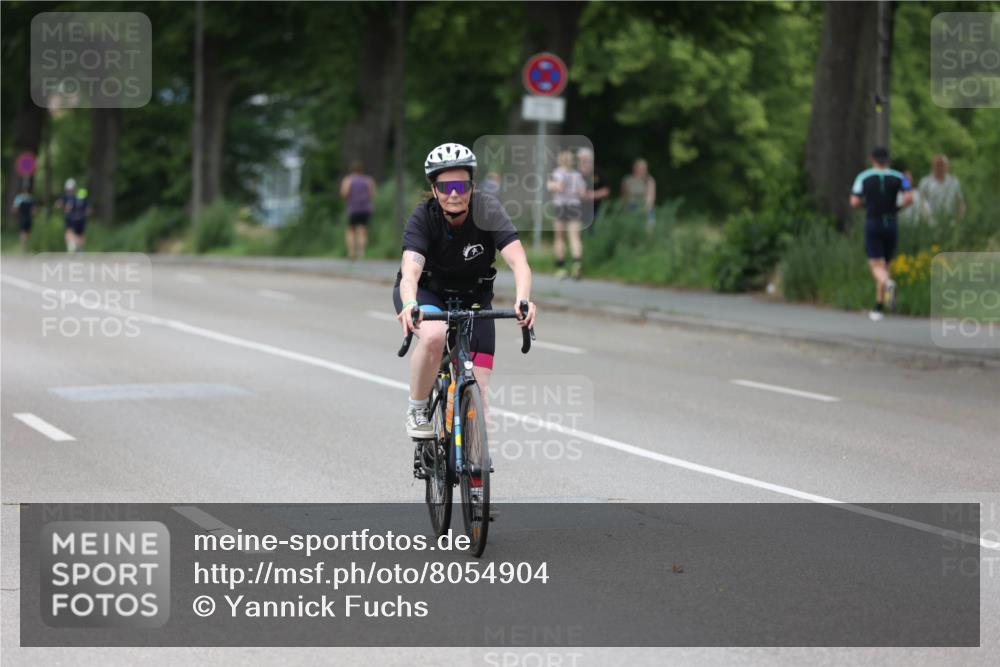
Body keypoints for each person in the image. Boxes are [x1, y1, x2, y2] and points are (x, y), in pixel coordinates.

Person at [394, 142, 536, 439]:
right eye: (445, 187)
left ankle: (469, 459)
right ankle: (417, 409)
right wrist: (409, 303)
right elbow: (410, 272)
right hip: (427, 294)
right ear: (434, 190)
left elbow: (519, 261)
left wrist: (523, 299)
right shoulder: (423, 217)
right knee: (434, 336)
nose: (454, 194)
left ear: (472, 186)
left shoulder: (488, 209)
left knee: (479, 393)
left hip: (474, 298)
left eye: (462, 185)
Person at [850, 147, 913, 322]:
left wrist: (865, 205)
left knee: (876, 266)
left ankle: (888, 284)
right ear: (888, 160)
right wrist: (898, 208)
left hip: (874, 222)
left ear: (872, 159)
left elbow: (854, 201)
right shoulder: (900, 177)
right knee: (885, 265)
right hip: (891, 222)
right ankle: (879, 306)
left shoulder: (864, 177)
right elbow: (909, 198)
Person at [547, 150, 586, 280]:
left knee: (559, 237)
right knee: (575, 237)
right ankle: (577, 264)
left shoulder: (557, 173)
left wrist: (555, 186)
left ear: (560, 160)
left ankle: (561, 267)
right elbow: (582, 193)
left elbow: (553, 187)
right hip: (574, 206)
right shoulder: (577, 175)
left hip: (561, 206)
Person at [340, 161, 375, 260]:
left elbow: (344, 193)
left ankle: (351, 252)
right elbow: (372, 194)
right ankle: (361, 252)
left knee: (351, 230)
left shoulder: (348, 180)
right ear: (361, 170)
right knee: (363, 229)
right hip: (365, 208)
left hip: (353, 208)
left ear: (352, 170)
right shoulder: (368, 180)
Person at [918, 154, 966, 225]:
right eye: (937, 165)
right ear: (933, 166)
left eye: (942, 165)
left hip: (950, 222)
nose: (940, 168)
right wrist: (927, 220)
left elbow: (961, 202)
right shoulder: (925, 182)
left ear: (947, 166)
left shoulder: (954, 182)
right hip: (930, 223)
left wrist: (958, 220)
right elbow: (920, 202)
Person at [577, 147, 609, 237]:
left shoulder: (598, 173)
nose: (582, 162)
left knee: (592, 232)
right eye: (580, 160)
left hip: (595, 209)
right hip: (577, 209)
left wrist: (591, 195)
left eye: (585, 160)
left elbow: (606, 191)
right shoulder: (575, 173)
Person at [622, 158, 656, 232]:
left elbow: (651, 196)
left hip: (645, 207)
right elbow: (624, 196)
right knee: (631, 229)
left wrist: (647, 207)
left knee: (648, 229)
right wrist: (625, 208)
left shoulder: (649, 180)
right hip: (631, 206)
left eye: (643, 168)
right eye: (640, 168)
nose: (642, 170)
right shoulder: (627, 180)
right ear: (634, 168)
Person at [61, 180, 90, 253]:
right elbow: (88, 209)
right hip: (79, 218)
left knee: (73, 233)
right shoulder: (78, 195)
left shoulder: (71, 197)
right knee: (77, 234)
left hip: (74, 218)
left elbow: (68, 208)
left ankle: (74, 247)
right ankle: (78, 248)